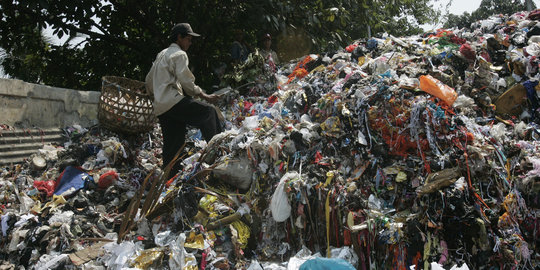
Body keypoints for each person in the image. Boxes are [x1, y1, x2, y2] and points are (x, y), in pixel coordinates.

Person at [146, 23, 222, 172]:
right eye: (188, 39)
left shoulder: (162, 54)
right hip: (172, 101)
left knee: (173, 146)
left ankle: (169, 179)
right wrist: (204, 95)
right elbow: (186, 81)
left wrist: (153, 96)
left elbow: (149, 80)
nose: (190, 43)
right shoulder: (179, 54)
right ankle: (218, 154)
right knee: (209, 113)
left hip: (161, 108)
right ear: (179, 37)